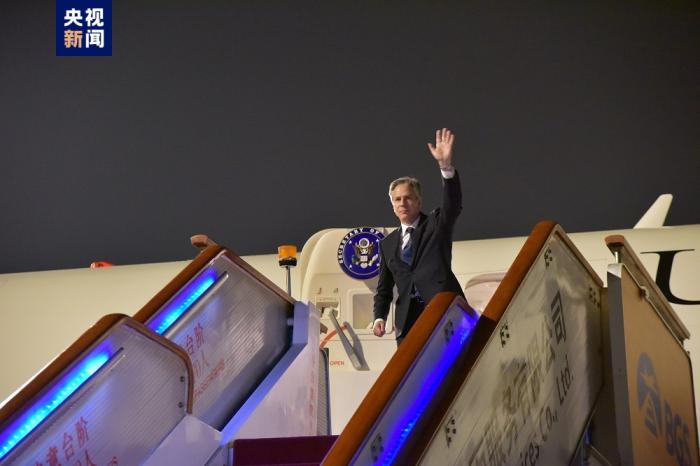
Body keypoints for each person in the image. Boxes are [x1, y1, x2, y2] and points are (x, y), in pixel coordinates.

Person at [372, 128, 464, 345]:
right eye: (397, 200)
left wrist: (446, 168)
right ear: (393, 206)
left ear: (419, 201)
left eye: (408, 198)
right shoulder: (387, 244)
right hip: (407, 324)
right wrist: (379, 316)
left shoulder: (436, 224)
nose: (402, 203)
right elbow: (384, 288)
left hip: (443, 313)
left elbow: (453, 204)